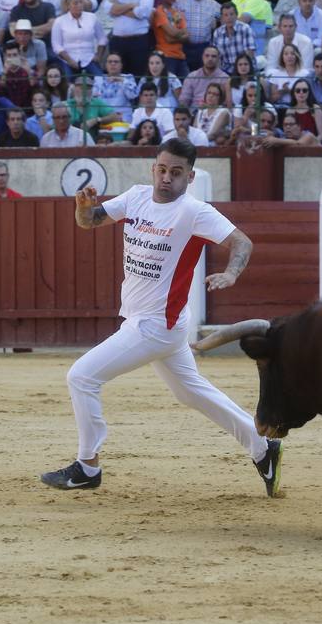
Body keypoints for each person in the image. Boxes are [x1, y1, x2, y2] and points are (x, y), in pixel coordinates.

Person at [40, 139, 281, 496]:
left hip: (155, 325)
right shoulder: (136, 196)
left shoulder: (195, 212)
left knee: (82, 377)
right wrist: (82, 208)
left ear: (190, 176)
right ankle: (263, 449)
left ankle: (87, 466)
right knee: (191, 392)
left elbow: (242, 242)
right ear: (154, 168)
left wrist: (231, 274)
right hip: (152, 322)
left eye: (176, 172)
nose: (167, 178)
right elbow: (89, 222)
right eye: (162, 169)